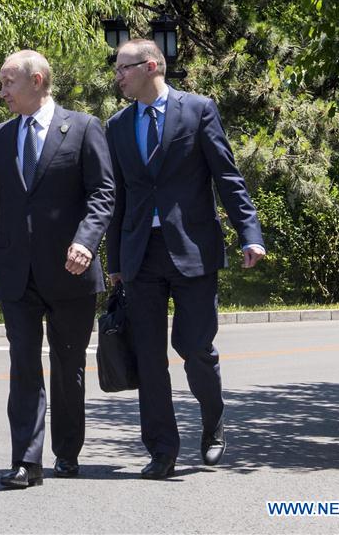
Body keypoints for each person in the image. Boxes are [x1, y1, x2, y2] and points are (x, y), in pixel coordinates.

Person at [105, 39, 266, 479]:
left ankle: (213, 423)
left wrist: (249, 234)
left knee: (194, 347)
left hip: (194, 249)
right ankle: (162, 449)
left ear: (151, 65)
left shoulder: (198, 110)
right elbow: (117, 199)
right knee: (149, 356)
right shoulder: (117, 126)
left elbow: (226, 176)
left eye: (123, 68)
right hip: (141, 254)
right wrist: (115, 258)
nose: (117, 76)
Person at [0, 50, 115, 488]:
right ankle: (26, 461)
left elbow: (103, 192)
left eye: (8, 83)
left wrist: (86, 242)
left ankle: (67, 452)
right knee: (23, 366)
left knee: (69, 367)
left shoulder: (84, 127)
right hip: (16, 273)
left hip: (71, 272)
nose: (2, 92)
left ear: (36, 81)